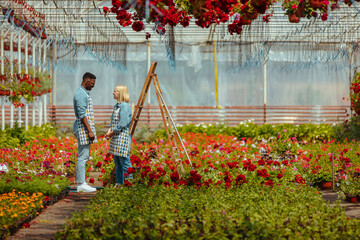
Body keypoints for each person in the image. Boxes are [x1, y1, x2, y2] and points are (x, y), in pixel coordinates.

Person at [73, 72, 97, 192]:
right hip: (83, 129)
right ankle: (81, 184)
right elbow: (82, 115)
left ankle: (81, 182)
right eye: (92, 83)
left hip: (84, 129)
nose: (93, 86)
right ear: (86, 81)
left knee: (84, 155)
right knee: (83, 156)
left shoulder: (84, 93)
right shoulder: (80, 94)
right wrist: (90, 131)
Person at [105, 85, 133, 187]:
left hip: (122, 137)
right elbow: (113, 121)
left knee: (125, 163)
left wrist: (111, 132)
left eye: (115, 91)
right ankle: (119, 184)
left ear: (120, 93)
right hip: (116, 138)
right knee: (118, 164)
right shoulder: (117, 106)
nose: (113, 93)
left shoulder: (125, 106)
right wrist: (109, 131)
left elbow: (122, 123)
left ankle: (129, 184)